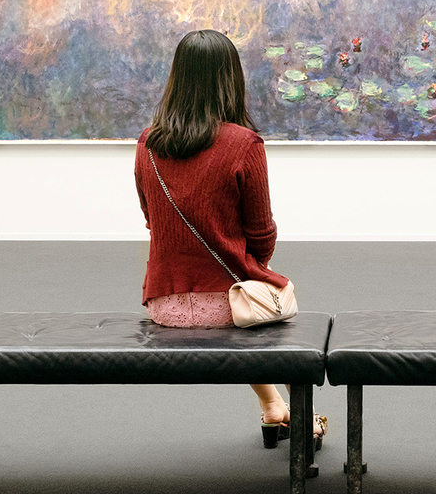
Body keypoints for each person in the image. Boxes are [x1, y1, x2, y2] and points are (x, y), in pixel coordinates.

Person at [134, 29, 326, 448]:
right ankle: (304, 418)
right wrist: (254, 266)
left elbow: (153, 221)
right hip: (227, 306)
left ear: (177, 78)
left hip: (165, 306)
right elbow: (261, 233)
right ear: (230, 79)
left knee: (244, 302)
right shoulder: (244, 144)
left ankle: (272, 406)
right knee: (261, 302)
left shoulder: (147, 143)